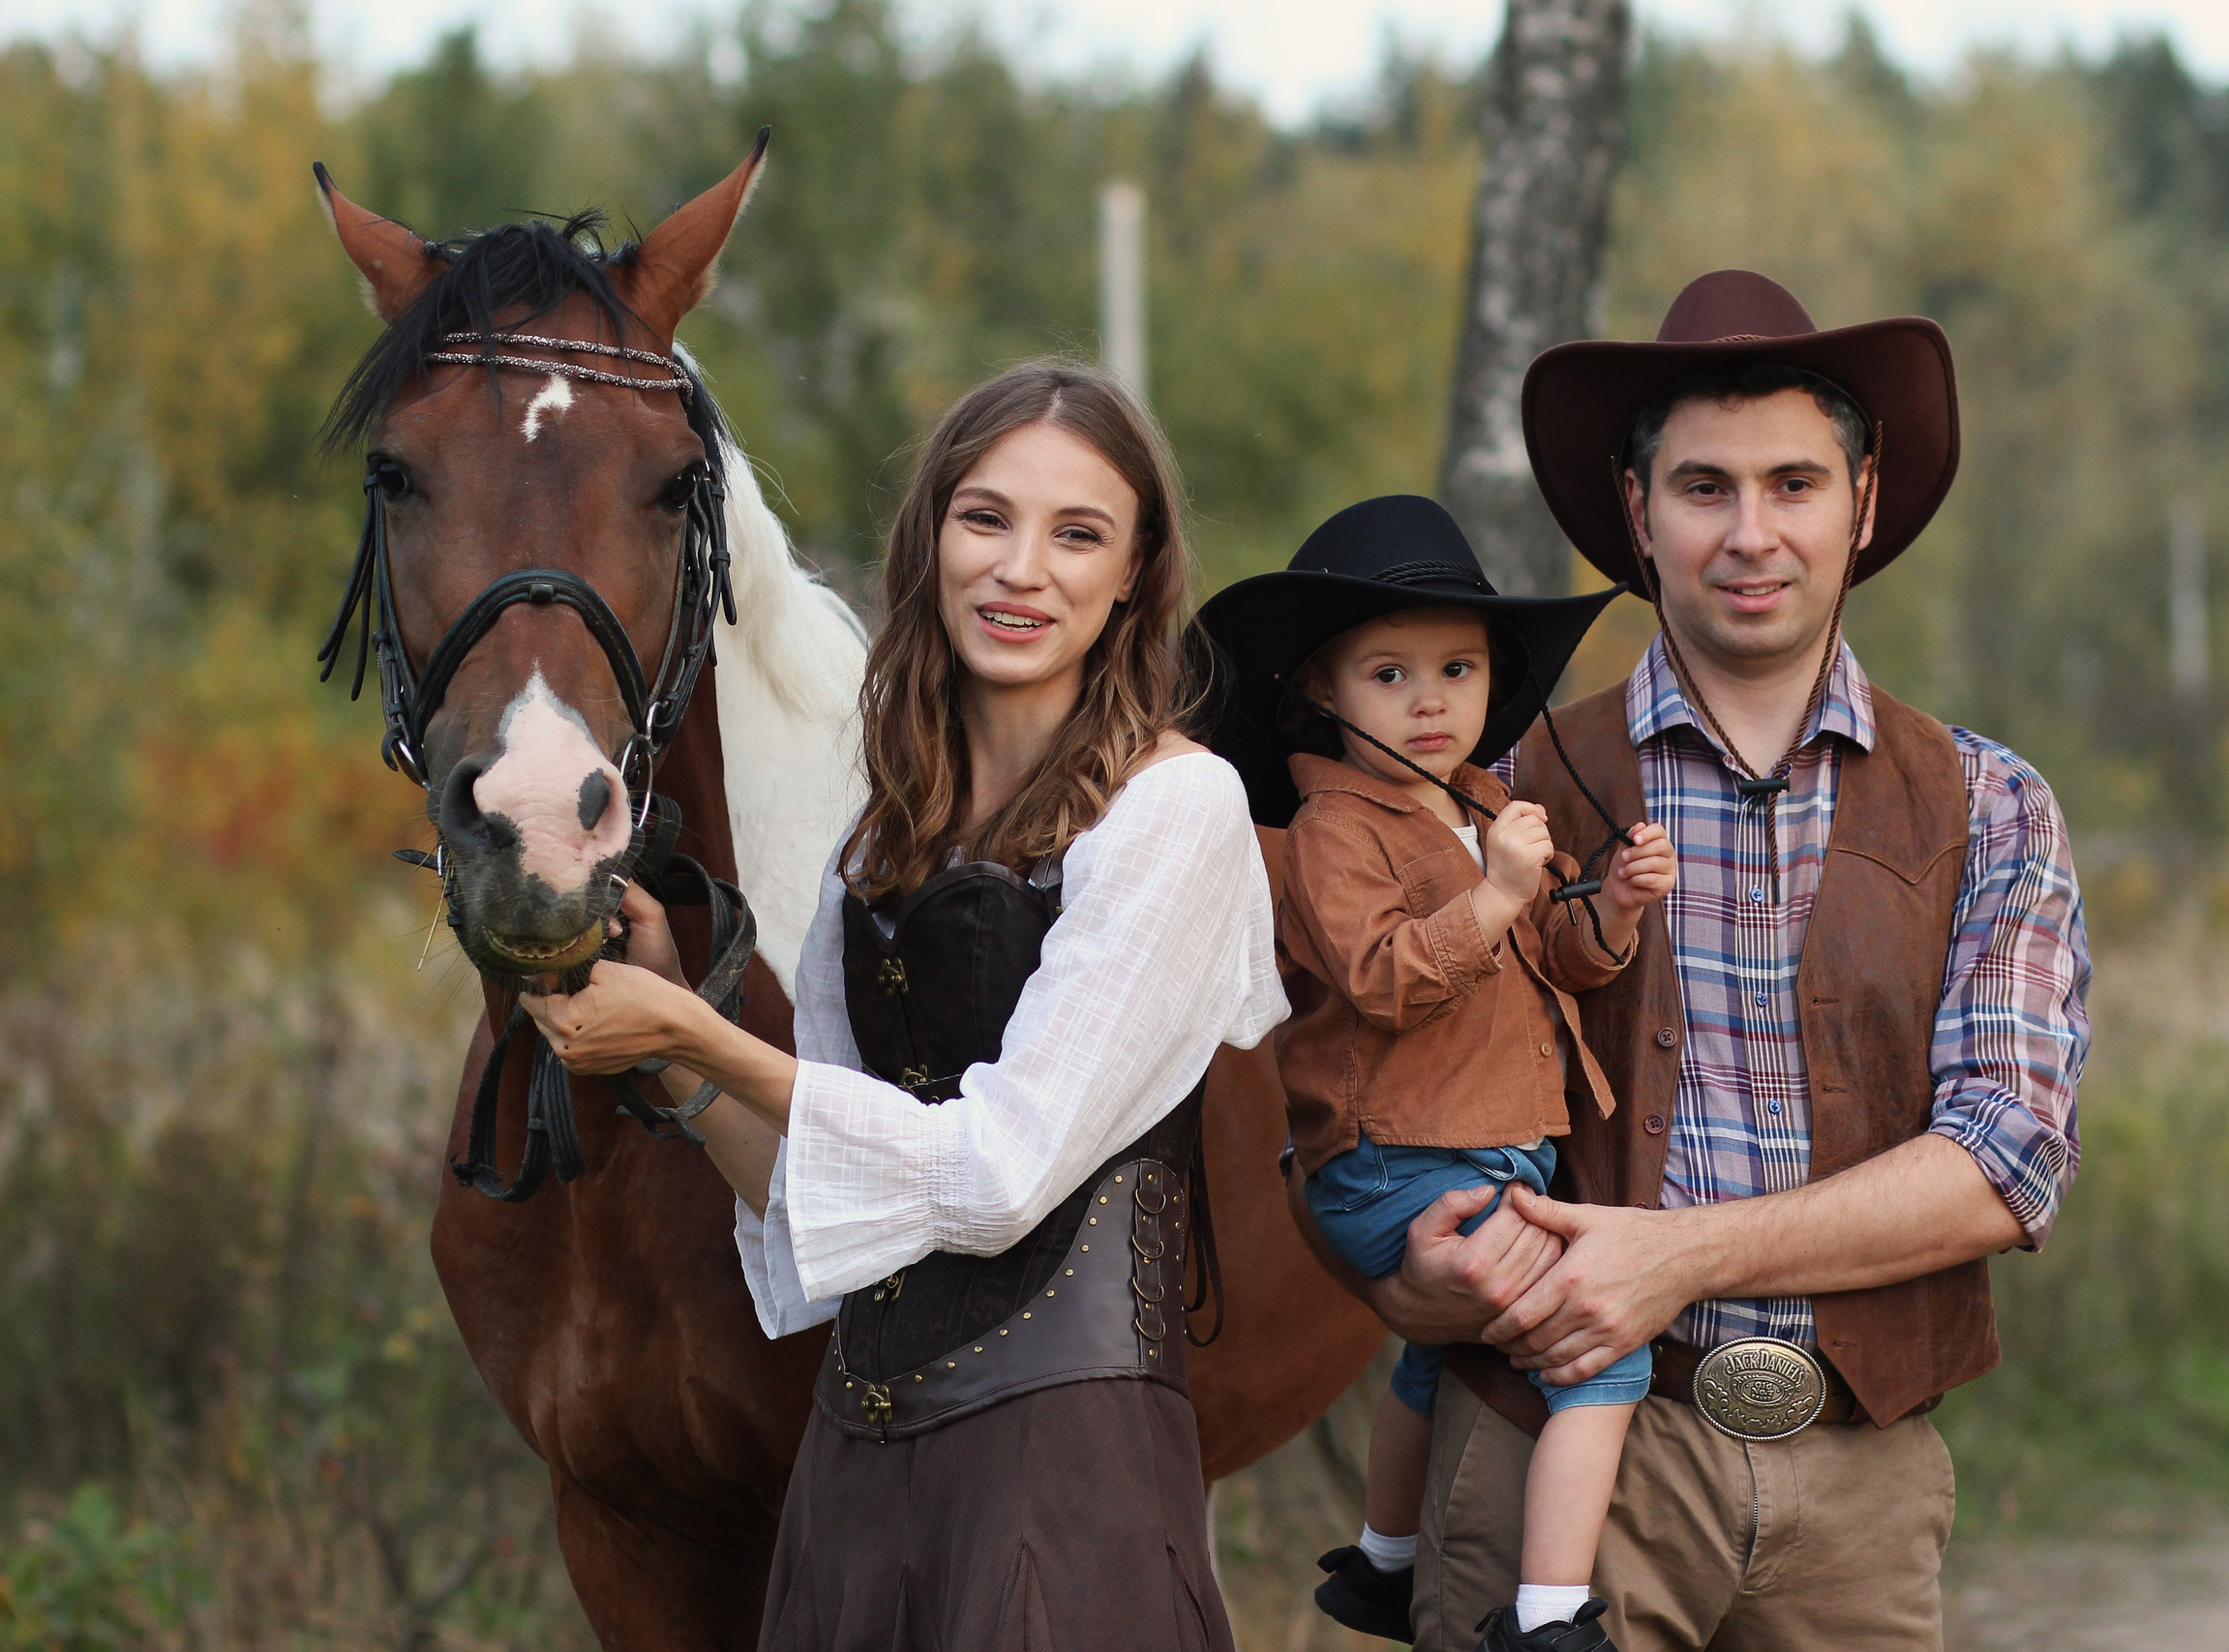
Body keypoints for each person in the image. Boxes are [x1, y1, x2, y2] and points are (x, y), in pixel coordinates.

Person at [1288, 272, 2092, 1650]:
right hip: (1549, 1456)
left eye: (1795, 482)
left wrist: (1677, 1255)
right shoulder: (1494, 790)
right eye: (1705, 486)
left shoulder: (1986, 800)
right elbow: (1340, 1081)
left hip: (1864, 1483)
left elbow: (2006, 1154)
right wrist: (1391, 1273)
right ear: (1636, 508)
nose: (1752, 532)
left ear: (1866, 502)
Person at [516, 359, 1283, 1651]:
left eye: (1077, 531)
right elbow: (812, 1185)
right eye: (985, 517)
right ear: (929, 538)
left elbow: (999, 1172)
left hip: (1063, 1472)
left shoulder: (1178, 812)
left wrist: (704, 1031)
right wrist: (674, 1058)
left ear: (1135, 577)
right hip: (856, 1470)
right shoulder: (879, 841)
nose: (1020, 567)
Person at [1193, 496, 1675, 1651]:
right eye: (1390, 676)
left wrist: (1605, 907)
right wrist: (1499, 893)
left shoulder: (1484, 802)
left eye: (1457, 671)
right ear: (1322, 692)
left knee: (1439, 1356)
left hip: (1481, 1146)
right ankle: (1552, 1617)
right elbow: (1379, 979)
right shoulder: (1332, 830)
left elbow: (1555, 957)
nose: (1430, 703)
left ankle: (1384, 1558)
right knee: (1606, 1356)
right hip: (1390, 1161)